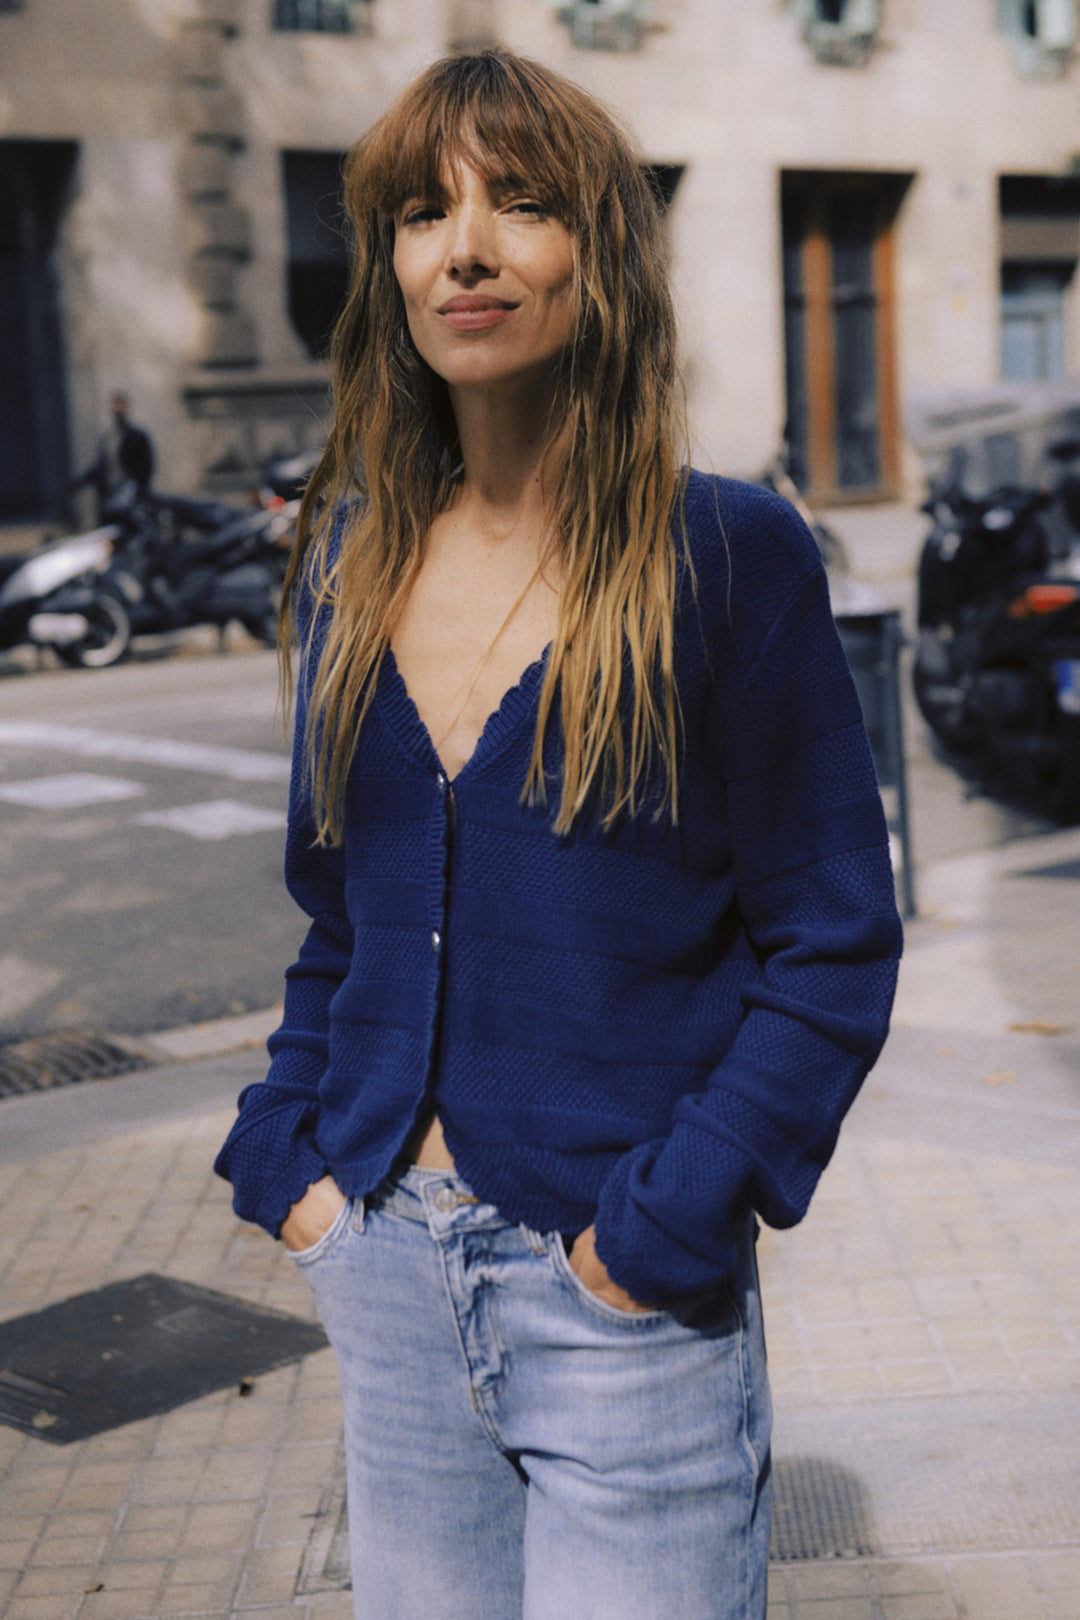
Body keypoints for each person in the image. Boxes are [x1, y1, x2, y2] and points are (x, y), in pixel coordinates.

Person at [215, 50, 902, 1620]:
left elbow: (835, 943)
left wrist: (670, 1217)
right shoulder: (350, 562)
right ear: (386, 264)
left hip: (621, 1292)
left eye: (519, 205)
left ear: (599, 255)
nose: (464, 248)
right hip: (386, 1262)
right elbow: (342, 919)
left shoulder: (727, 556)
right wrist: (289, 1162)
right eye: (419, 211)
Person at [71, 391, 155, 519]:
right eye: (115, 405)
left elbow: (146, 467)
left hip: (130, 494)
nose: (117, 409)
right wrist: (79, 483)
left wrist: (139, 490)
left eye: (120, 405)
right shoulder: (109, 438)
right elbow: (100, 466)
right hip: (109, 495)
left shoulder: (137, 437)